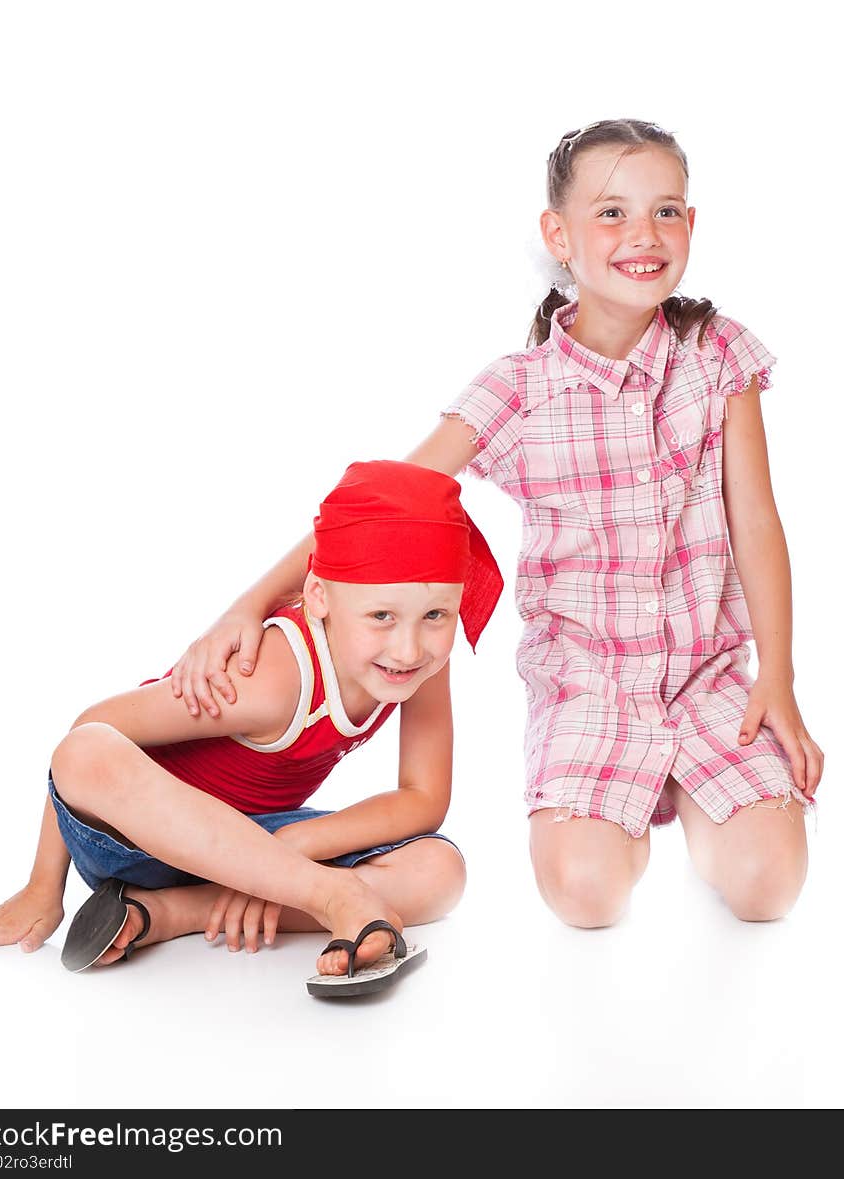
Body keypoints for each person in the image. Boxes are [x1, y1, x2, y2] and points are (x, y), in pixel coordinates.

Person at [164, 119, 824, 929]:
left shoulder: (717, 353)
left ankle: (702, 790)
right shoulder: (518, 391)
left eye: (668, 211)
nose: (643, 236)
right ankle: (625, 807)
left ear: (693, 223)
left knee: (769, 888)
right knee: (587, 896)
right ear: (559, 234)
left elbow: (756, 520)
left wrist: (778, 680)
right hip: (591, 687)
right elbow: (371, 509)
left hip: (708, 677)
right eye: (612, 213)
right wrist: (246, 606)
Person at [0, 461, 502, 995]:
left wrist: (297, 840)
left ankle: (176, 912)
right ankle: (334, 896)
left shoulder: (418, 663)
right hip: (137, 841)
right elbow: (88, 735)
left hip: (256, 838)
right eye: (381, 616)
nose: (409, 648)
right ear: (318, 595)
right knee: (87, 753)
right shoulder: (274, 676)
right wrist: (41, 888)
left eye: (437, 616)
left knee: (440, 872)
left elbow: (423, 798)